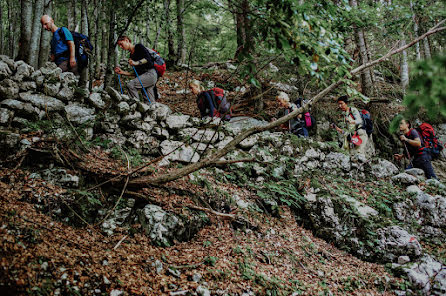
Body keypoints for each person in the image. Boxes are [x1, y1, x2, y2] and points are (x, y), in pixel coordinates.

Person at [114, 36, 157, 103]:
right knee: (149, 101)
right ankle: (152, 111)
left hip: (150, 74)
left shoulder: (138, 47)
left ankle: (135, 105)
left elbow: (148, 59)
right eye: (119, 45)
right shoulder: (131, 56)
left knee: (131, 85)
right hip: (145, 77)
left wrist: (136, 63)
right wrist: (122, 72)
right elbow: (136, 73)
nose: (121, 47)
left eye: (121, 44)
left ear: (126, 40)